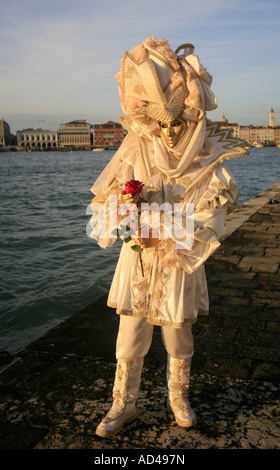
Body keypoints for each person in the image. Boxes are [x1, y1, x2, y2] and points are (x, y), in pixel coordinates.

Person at [87, 36, 248, 438]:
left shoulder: (209, 161)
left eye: (179, 123)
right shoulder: (136, 152)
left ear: (192, 121)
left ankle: (179, 397)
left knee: (179, 335)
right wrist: (127, 212)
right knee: (130, 336)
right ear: (153, 121)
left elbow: (212, 216)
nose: (171, 131)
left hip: (180, 260)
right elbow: (107, 208)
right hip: (139, 259)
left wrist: (156, 220)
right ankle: (124, 403)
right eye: (164, 123)